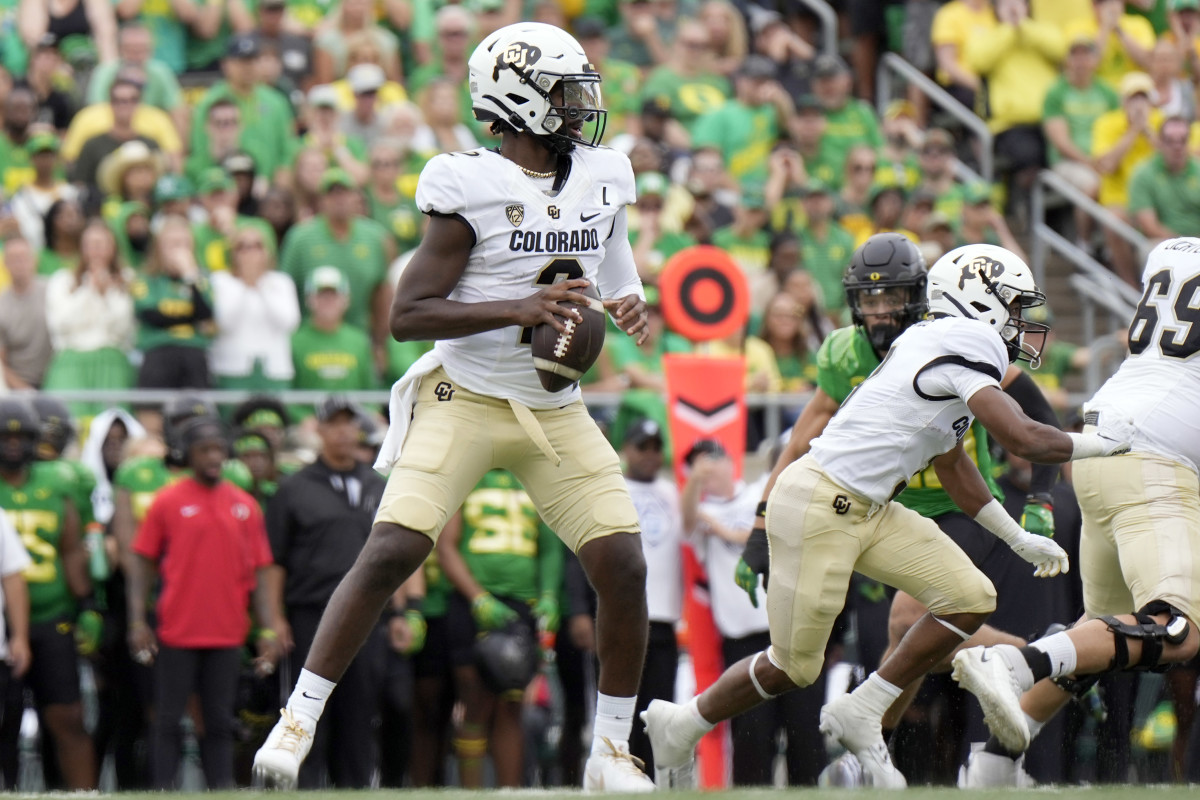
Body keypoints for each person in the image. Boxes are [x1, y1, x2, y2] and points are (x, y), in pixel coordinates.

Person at [253, 22, 654, 792]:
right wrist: (521, 307)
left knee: (623, 563)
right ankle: (295, 722)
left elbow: (613, 256)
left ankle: (610, 751)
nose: (581, 108)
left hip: (553, 404)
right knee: (392, 549)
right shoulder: (466, 183)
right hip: (464, 394)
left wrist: (628, 301)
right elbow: (409, 315)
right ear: (516, 100)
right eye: (564, 93)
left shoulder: (605, 171)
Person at [641, 241, 1134, 788]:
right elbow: (1023, 436)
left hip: (868, 508)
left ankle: (864, 707)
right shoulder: (966, 341)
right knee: (793, 667)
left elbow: (952, 465)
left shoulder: (930, 339)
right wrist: (1108, 445)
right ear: (980, 300)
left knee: (971, 597)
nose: (1021, 320)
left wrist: (1016, 536)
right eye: (1013, 305)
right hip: (819, 506)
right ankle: (682, 723)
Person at [954, 236, 1200, 786]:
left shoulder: (1173, 251)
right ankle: (1015, 663)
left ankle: (991, 765)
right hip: (1156, 457)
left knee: (1101, 637)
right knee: (1176, 629)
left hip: (1101, 438)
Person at [128, 415, 285, 789]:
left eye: (219, 449)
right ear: (189, 455)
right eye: (205, 450)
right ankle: (163, 790)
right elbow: (142, 561)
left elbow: (262, 570)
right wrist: (137, 619)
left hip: (227, 632)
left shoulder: (245, 505)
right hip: (178, 631)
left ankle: (221, 789)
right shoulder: (168, 501)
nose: (214, 457)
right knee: (167, 720)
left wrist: (267, 626)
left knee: (219, 721)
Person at [264, 396, 387, 788]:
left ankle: (355, 787)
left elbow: (395, 553)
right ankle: (309, 786)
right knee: (309, 708)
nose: (343, 431)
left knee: (360, 707)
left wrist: (404, 610)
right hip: (310, 611)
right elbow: (274, 560)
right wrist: (273, 619)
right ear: (317, 430)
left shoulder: (377, 483)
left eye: (349, 423)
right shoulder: (294, 488)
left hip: (368, 613)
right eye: (333, 423)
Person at [435, 468, 562, 787]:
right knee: (474, 700)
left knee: (512, 703)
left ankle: (509, 791)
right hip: (472, 601)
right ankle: (471, 792)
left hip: (521, 604)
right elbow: (446, 546)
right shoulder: (464, 477)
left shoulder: (534, 478)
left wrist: (548, 595)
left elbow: (549, 547)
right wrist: (477, 598)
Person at [0, 398, 96, 790]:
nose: (13, 445)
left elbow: (72, 549)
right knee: (4, 723)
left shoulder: (57, 482)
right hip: (2, 624)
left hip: (51, 614)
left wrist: (88, 604)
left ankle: (83, 795)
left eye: (21, 436)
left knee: (68, 717)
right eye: (5, 436)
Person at [619, 419, 682, 775]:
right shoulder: (614, 488)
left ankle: (655, 783)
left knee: (658, 715)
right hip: (622, 620)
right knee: (621, 711)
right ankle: (619, 777)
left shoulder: (672, 492)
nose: (650, 455)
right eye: (642, 446)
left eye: (656, 447)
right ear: (626, 449)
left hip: (663, 619)